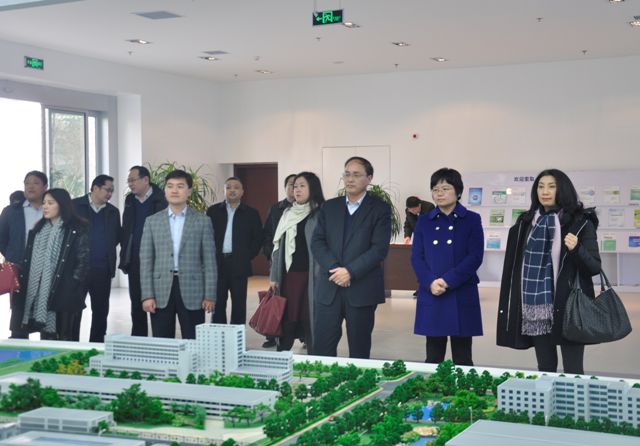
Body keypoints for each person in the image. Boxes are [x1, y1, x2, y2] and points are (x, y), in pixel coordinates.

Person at [496, 169, 601, 375]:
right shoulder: (526, 223)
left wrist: (577, 249)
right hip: (537, 307)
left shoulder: (580, 222)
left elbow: (594, 267)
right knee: (545, 368)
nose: (545, 192)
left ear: (563, 190)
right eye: (540, 186)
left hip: (569, 306)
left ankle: (572, 398)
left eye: (551, 187)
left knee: (573, 371)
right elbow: (515, 267)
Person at [311, 156, 391, 359]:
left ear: (369, 178)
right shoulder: (329, 207)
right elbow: (317, 242)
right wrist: (336, 269)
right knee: (322, 347)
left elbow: (379, 249)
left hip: (362, 288)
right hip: (329, 286)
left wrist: (350, 272)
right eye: (347, 174)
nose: (350, 179)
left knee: (359, 349)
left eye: (356, 174)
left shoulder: (379, 209)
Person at [411, 168, 484, 366]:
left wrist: (447, 280)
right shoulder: (424, 221)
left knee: (463, 357)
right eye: (435, 189)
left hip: (460, 290)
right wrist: (430, 282)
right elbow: (417, 257)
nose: (439, 193)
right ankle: (432, 387)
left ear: (458, 192)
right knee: (433, 356)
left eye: (445, 188)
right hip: (432, 291)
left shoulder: (471, 219)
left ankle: (464, 387)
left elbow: (475, 256)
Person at [139, 169, 216, 339]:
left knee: (193, 340)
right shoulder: (152, 222)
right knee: (162, 341)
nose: (174, 190)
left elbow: (210, 261)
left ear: (189, 191)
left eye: (180, 186)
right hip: (160, 289)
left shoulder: (202, 221)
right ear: (165, 190)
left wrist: (210, 295)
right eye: (170, 186)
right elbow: (146, 262)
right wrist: (147, 295)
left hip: (193, 289)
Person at [11, 188, 89, 341]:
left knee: (64, 338)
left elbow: (83, 262)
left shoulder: (77, 229)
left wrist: (72, 284)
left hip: (64, 293)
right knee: (46, 337)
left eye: (50, 203)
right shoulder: (38, 230)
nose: (45, 206)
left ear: (62, 205)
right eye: (44, 203)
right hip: (39, 290)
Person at [269, 172, 325, 352]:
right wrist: (273, 276)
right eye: (295, 186)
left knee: (309, 316)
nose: (297, 190)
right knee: (288, 314)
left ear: (312, 188)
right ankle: (283, 352)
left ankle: (314, 353)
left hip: (312, 276)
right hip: (289, 275)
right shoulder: (287, 213)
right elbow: (277, 248)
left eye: (302, 186)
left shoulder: (320, 214)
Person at [207, 177, 263, 325]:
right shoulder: (213, 211)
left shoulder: (251, 213)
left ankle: (236, 335)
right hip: (218, 263)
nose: (232, 190)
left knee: (239, 303)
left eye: (236, 187)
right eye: (229, 187)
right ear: (224, 190)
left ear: (242, 191)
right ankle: (218, 334)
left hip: (239, 264)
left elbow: (258, 238)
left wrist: (247, 256)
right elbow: (206, 236)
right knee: (218, 302)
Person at [72, 174, 121, 342]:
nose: (110, 194)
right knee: (74, 310)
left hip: (102, 269)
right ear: (95, 188)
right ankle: (72, 344)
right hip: (77, 269)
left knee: (101, 311)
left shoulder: (113, 212)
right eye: (107, 190)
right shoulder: (75, 206)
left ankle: (97, 344)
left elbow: (115, 237)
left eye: (112, 191)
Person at [119, 165, 167, 336]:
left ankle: (159, 340)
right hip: (134, 259)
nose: (130, 184)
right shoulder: (130, 200)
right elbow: (126, 228)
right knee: (136, 304)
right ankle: (138, 340)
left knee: (157, 304)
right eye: (128, 181)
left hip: (157, 262)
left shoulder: (161, 198)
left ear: (146, 180)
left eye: (133, 180)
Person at [0, 171, 48, 339]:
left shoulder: (51, 209)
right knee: (19, 314)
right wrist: (13, 256)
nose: (30, 186)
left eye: (35, 183)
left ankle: (47, 345)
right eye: (27, 183)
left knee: (46, 313)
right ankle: (18, 343)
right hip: (19, 268)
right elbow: (2, 239)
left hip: (45, 270)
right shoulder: (11, 211)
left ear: (45, 187)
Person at [261, 173, 296, 348]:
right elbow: (267, 233)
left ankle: (303, 336)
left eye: (297, 185)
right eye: (290, 184)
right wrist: (270, 254)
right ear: (285, 187)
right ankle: (273, 334)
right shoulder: (276, 208)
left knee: (297, 300)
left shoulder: (310, 209)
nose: (294, 188)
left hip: (297, 265)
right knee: (276, 297)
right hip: (277, 261)